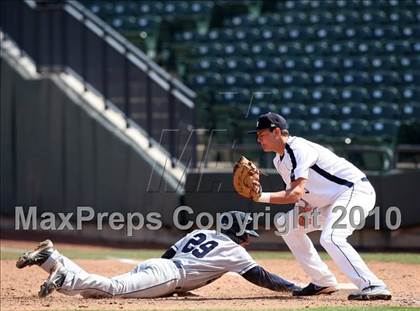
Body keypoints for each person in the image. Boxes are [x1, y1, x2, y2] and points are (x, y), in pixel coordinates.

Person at [248, 112, 391, 301]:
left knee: (331, 237)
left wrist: (259, 197)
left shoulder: (298, 148)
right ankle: (322, 281)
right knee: (287, 225)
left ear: (276, 132)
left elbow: (295, 192)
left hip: (354, 192)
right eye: (258, 136)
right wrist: (300, 208)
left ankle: (373, 285)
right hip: (328, 202)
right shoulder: (278, 159)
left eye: (262, 134)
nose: (259, 139)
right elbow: (300, 193)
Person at [16, 211, 301, 298]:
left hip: (159, 266)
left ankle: (53, 259)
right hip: (168, 275)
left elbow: (168, 254)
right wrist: (294, 288)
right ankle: (64, 277)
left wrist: (171, 283)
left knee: (101, 289)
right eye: (247, 233)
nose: (249, 239)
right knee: (112, 290)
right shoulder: (233, 250)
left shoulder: (201, 232)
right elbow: (262, 277)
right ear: (239, 231)